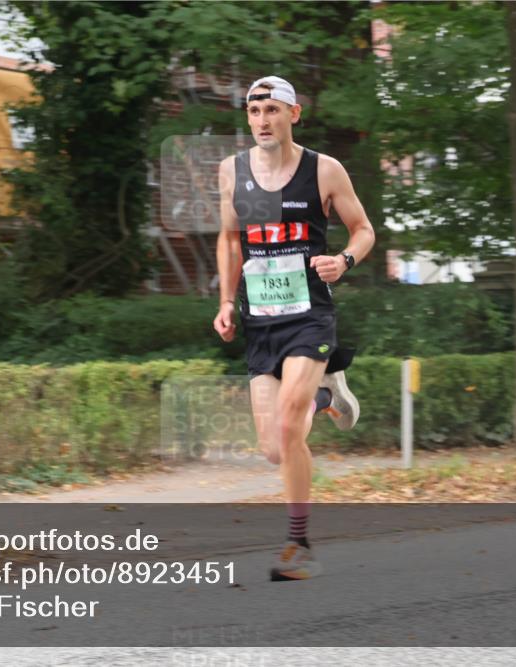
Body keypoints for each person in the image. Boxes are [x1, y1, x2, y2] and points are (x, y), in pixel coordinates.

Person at [212, 76, 375, 581]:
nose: (262, 120)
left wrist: (344, 260)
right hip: (261, 321)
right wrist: (224, 300)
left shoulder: (324, 170)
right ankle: (326, 399)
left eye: (272, 110)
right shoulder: (231, 172)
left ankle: (299, 545)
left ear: (294, 114)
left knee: (287, 424)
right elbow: (230, 240)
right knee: (273, 447)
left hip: (309, 315)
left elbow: (364, 230)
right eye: (254, 111)